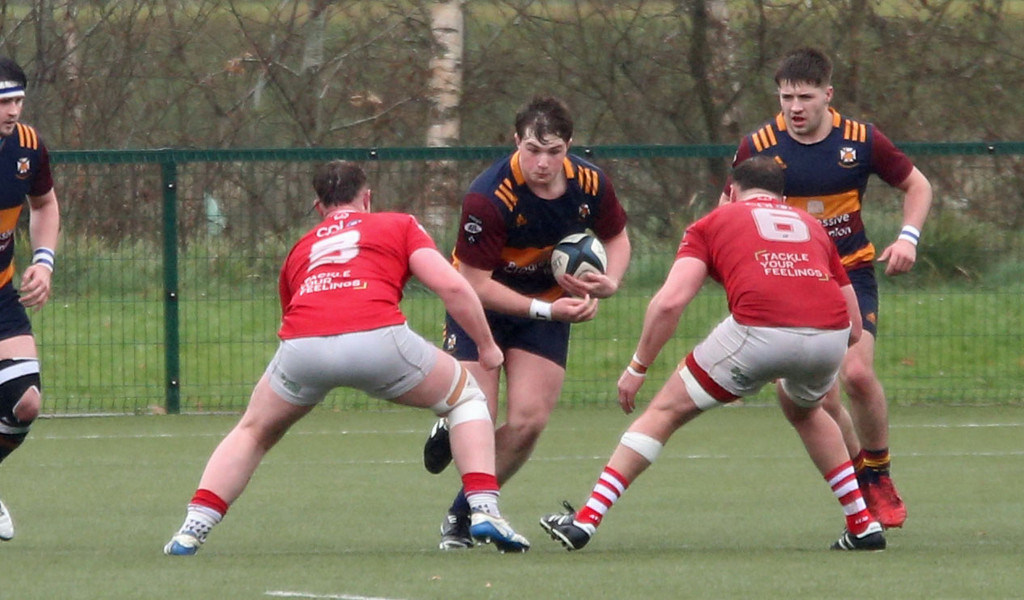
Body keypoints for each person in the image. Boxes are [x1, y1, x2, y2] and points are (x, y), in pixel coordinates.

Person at [164, 160, 529, 555]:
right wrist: (487, 346)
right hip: (376, 337)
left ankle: (191, 529)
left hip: (303, 346)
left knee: (253, 430)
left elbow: (291, 314)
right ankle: (484, 510)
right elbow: (453, 288)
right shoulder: (398, 224)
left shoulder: (301, 249)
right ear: (367, 198)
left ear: (319, 208)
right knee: (467, 398)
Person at [540, 156, 886, 552]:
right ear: (783, 196)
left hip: (761, 331)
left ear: (731, 191)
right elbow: (856, 328)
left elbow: (670, 303)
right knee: (807, 410)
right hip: (831, 336)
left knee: (663, 412)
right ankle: (862, 525)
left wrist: (638, 367)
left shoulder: (711, 223)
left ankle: (584, 521)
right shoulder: (812, 226)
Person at [717, 47, 932, 529]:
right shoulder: (759, 144)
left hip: (851, 271)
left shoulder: (862, 140)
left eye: (805, 97)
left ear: (827, 96)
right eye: (786, 97)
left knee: (855, 374)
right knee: (814, 398)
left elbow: (918, 186)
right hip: (788, 278)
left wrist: (908, 238)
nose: (795, 107)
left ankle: (879, 474)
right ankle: (858, 474)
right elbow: (728, 210)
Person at [421, 95, 631, 550]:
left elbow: (616, 237)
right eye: (532, 150)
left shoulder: (590, 183)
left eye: (554, 152)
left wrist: (609, 282)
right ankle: (451, 425)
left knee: (529, 421)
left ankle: (462, 513)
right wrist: (547, 310)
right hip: (481, 306)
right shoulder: (487, 196)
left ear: (569, 146)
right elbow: (473, 283)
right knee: (477, 411)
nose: (542, 162)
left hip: (548, 304)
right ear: (516, 142)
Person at [0, 56, 61, 542]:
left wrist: (43, 260)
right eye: (3, 102)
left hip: (1, 293)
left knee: (26, 403)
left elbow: (43, 203)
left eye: (17, 100)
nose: (12, 111)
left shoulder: (28, 146)